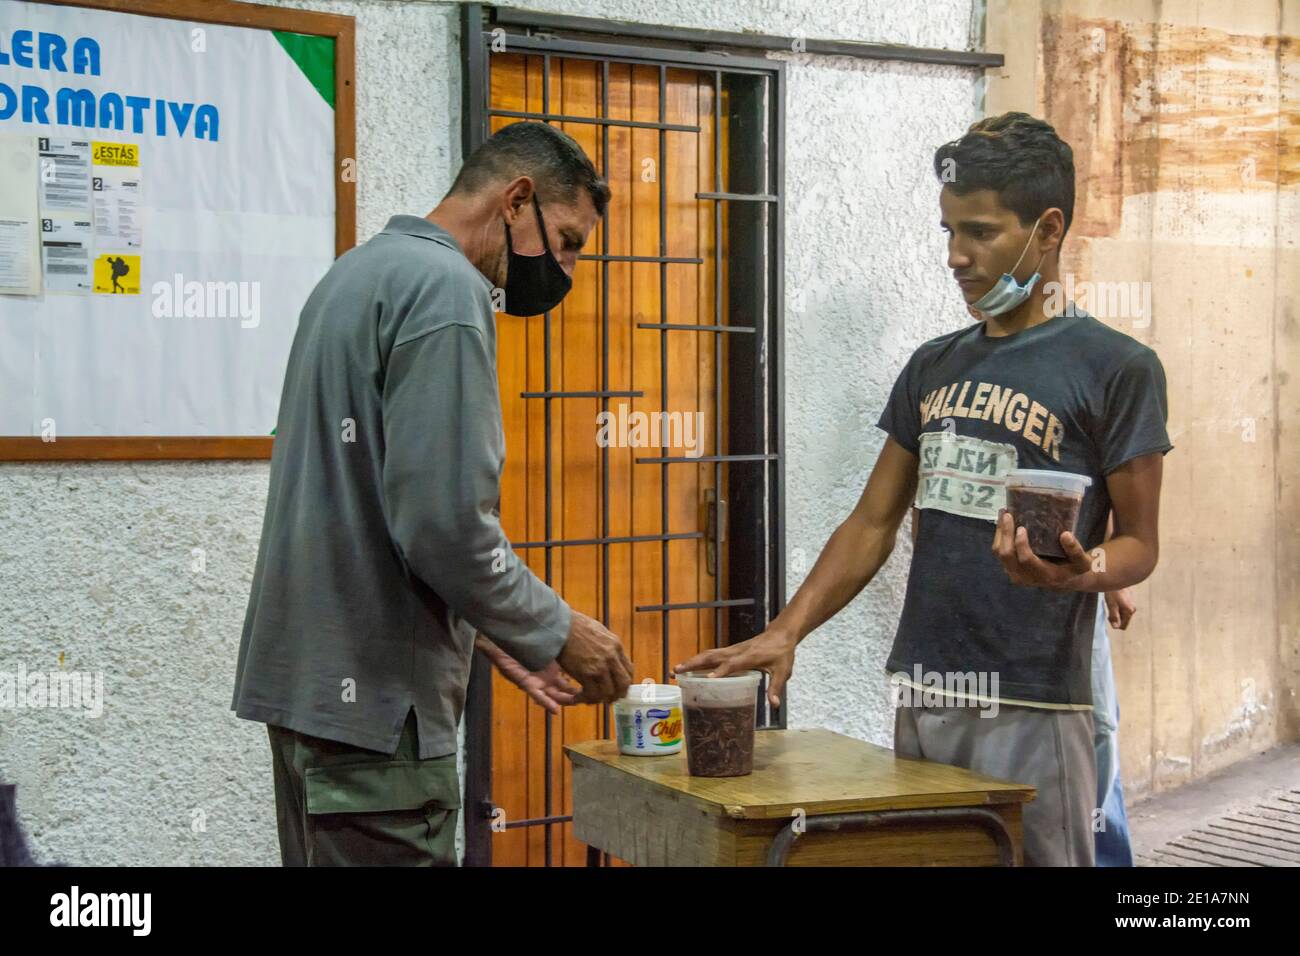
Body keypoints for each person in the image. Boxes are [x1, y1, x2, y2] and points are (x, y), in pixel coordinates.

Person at [676, 112, 1172, 866]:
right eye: (947, 232)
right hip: (930, 689)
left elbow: (1140, 543)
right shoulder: (933, 367)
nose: (957, 256)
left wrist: (1086, 573)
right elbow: (872, 523)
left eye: (980, 233)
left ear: (1047, 228)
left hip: (1035, 697)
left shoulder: (1116, 368)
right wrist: (788, 629)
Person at [232, 121, 633, 866]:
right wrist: (555, 628)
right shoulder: (448, 290)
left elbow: (371, 503)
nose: (570, 271)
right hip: (378, 716)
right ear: (518, 200)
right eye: (570, 240)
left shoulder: (356, 274)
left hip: (312, 696)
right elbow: (443, 526)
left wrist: (489, 630)